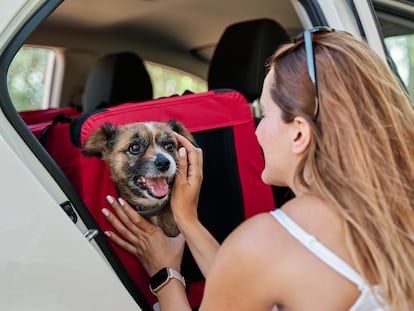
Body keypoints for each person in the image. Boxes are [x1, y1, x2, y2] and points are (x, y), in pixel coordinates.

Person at [101, 27, 414, 311]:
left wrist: (164, 273)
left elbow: (251, 267)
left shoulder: (266, 242)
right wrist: (187, 220)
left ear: (299, 134)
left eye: (263, 114)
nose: (256, 130)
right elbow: (245, 282)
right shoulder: (397, 217)